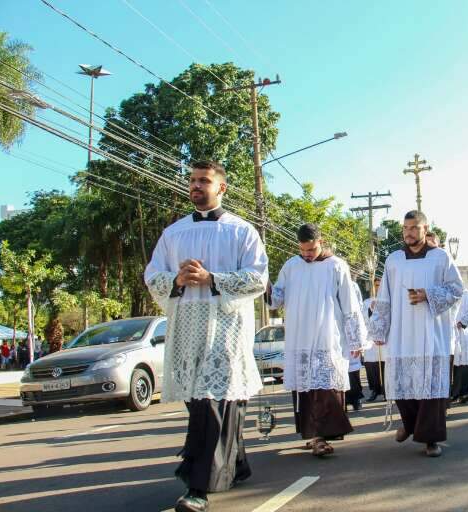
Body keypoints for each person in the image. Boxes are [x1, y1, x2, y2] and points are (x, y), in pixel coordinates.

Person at [145, 160, 268, 512]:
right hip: (186, 329)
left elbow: (258, 278)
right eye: (193, 181)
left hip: (226, 329)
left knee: (212, 405)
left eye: (204, 181)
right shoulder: (173, 234)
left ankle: (198, 488)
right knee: (201, 405)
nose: (196, 186)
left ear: (221, 188)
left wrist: (212, 279)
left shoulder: (242, 231)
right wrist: (177, 281)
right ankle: (236, 463)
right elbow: (153, 275)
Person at [370, 210, 463, 457]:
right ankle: (410, 424)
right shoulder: (393, 259)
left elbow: (456, 290)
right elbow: (385, 297)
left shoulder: (441, 258)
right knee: (403, 385)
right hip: (402, 331)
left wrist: (428, 294)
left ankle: (430, 439)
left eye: (413, 228)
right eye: (405, 228)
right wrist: (379, 327)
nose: (408, 232)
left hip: (431, 332)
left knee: (430, 388)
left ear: (425, 228)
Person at [269, 223, 368, 456]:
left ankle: (321, 436)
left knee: (325, 388)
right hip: (299, 338)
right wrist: (266, 287)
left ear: (320, 242)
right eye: (303, 250)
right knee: (305, 390)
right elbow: (277, 299)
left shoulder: (336, 266)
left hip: (327, 337)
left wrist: (356, 341)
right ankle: (315, 437)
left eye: (311, 250)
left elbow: (350, 306)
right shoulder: (291, 266)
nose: (307, 255)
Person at [451, 289, 468, 403]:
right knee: (451, 364)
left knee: (463, 364)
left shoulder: (467, 294)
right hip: (448, 332)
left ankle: (462, 393)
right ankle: (452, 394)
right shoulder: (446, 292)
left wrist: (462, 322)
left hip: (462, 332)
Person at [362, 277, 386, 402]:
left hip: (385, 339)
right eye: (376, 285)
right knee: (371, 365)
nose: (378, 288)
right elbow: (363, 320)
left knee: (385, 365)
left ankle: (387, 391)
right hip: (371, 339)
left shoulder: (389, 300)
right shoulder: (366, 302)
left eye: (380, 285)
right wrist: (370, 309)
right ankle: (374, 390)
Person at [346, 277, 366, 411]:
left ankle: (356, 398)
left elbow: (359, 306)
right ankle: (342, 402)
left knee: (353, 372)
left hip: (351, 329)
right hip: (335, 331)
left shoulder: (352, 285)